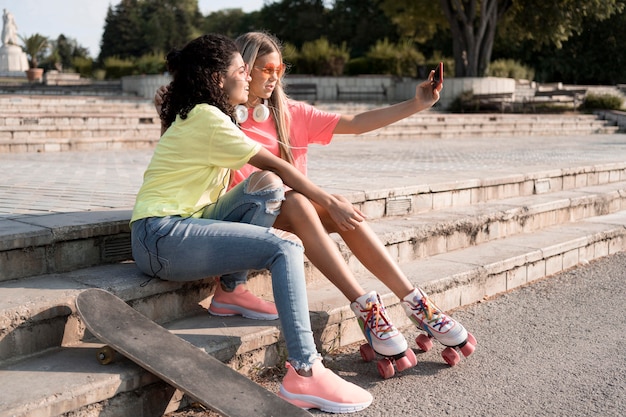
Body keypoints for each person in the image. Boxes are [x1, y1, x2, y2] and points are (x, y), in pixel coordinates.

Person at [155, 31, 475, 370]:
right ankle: (365, 309)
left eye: (280, 68)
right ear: (243, 70)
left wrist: (417, 104)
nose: (274, 77)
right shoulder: (219, 118)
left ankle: (416, 303)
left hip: (291, 212)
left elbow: (354, 123)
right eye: (265, 69)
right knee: (296, 202)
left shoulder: (288, 113)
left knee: (333, 207)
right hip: (243, 220)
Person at [132, 33, 373, 413]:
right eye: (241, 71)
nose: (248, 78)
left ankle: (230, 289)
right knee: (285, 244)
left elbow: (271, 176)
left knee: (266, 187)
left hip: (185, 226)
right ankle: (305, 373)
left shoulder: (205, 114)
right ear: (217, 79)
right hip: (161, 236)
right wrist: (328, 201)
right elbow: (276, 161)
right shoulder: (208, 118)